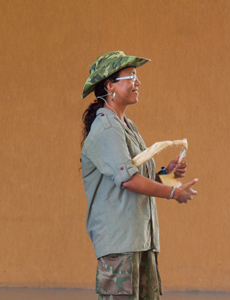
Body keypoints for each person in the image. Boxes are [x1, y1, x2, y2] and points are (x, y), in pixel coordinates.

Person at [80, 51, 198, 300]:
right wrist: (173, 192)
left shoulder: (126, 125)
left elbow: (138, 177)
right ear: (110, 86)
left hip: (139, 242)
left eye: (137, 76)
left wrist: (166, 174)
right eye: (130, 76)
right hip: (120, 246)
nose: (138, 81)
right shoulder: (106, 127)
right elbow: (128, 180)